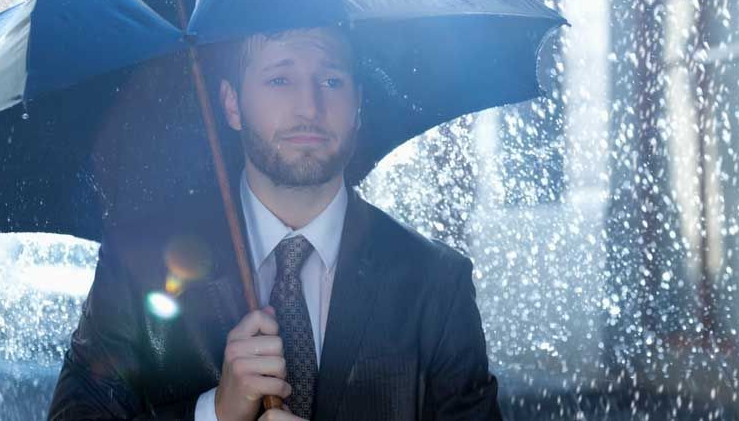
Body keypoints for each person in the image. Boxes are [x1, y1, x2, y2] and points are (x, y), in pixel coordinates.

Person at [48, 26, 502, 420]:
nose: (309, 106)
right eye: (279, 79)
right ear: (231, 104)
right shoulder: (137, 265)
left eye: (331, 79)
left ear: (358, 104)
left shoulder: (435, 285)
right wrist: (217, 414)